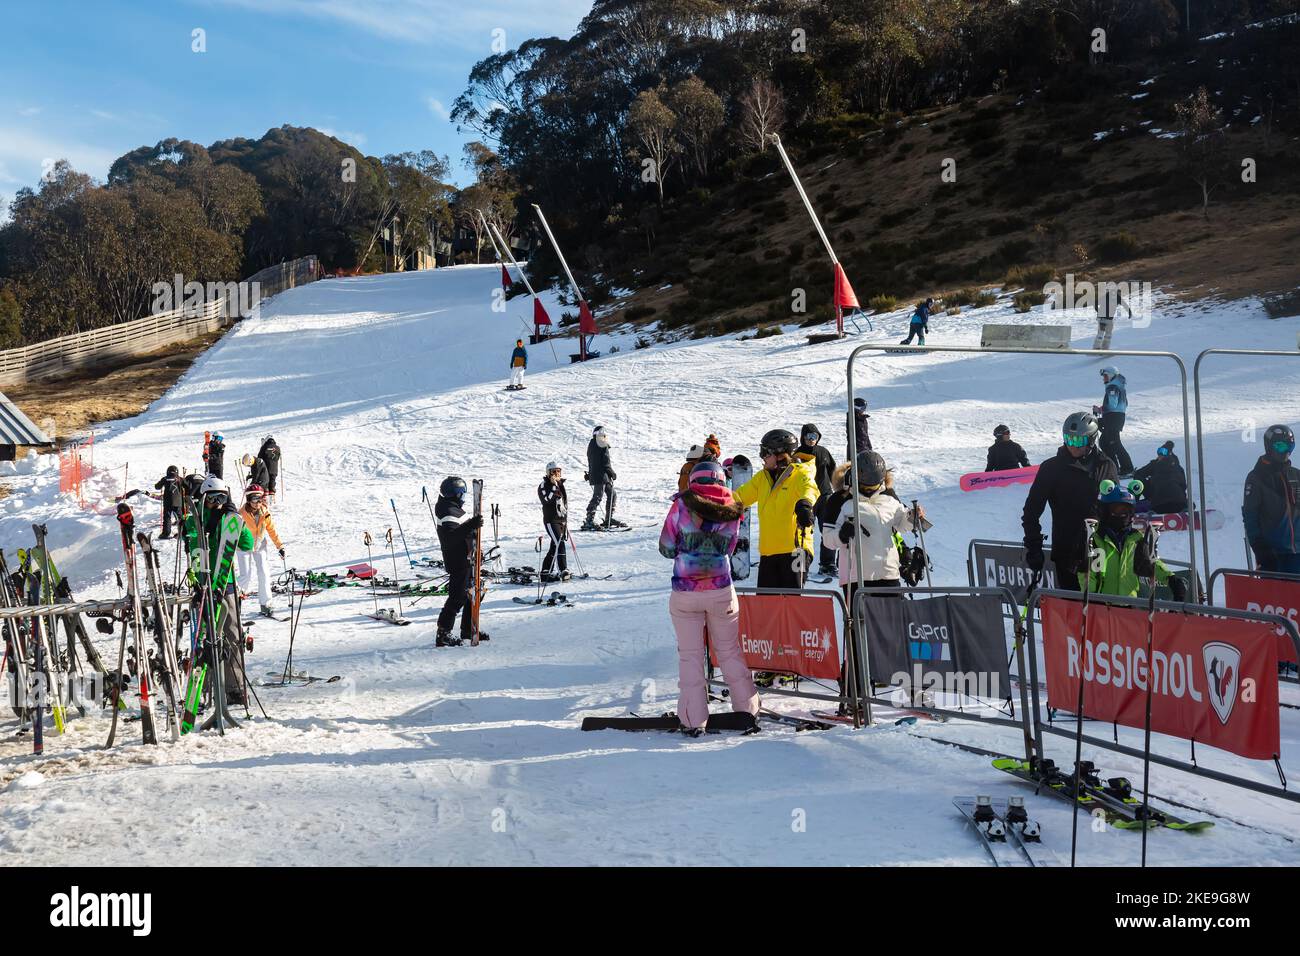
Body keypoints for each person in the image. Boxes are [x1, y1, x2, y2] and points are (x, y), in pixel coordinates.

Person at [659, 459, 759, 734]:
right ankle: (747, 709)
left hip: (686, 591)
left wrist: (685, 549)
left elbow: (666, 547)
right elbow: (730, 546)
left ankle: (692, 719)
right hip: (720, 590)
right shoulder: (732, 507)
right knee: (729, 651)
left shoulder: (681, 505)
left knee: (690, 656)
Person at [1022, 412, 1119, 592]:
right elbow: (1031, 511)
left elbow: (1116, 507)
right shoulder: (1051, 468)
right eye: (1068, 439)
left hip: (1101, 552)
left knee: (1102, 611)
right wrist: (1033, 546)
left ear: (1091, 440)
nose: (1071, 445)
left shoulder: (1106, 466)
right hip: (1067, 552)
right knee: (1073, 609)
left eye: (1078, 441)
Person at [184, 476, 254, 704]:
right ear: (203, 499)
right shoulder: (196, 520)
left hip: (226, 583)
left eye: (222, 498)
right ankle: (204, 687)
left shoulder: (229, 518)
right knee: (206, 636)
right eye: (212, 499)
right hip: (204, 584)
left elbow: (247, 544)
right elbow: (193, 544)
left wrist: (238, 521)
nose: (217, 503)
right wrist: (197, 579)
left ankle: (234, 687)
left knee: (232, 634)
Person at [732, 428, 819, 591]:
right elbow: (739, 498)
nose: (762, 457)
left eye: (765, 453)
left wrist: (805, 505)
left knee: (791, 603)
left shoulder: (800, 474)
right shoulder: (762, 478)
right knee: (767, 606)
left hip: (795, 550)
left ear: (780, 454)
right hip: (769, 552)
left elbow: (810, 489)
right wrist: (715, 500)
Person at [831, 452, 924, 601]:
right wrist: (841, 535)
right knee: (861, 622)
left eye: (874, 486)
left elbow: (902, 526)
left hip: (888, 573)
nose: (870, 490)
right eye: (865, 487)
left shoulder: (889, 498)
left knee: (892, 621)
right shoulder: (841, 500)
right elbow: (828, 539)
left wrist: (913, 516)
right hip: (857, 576)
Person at [1083, 480, 1187, 600]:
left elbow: (1151, 562)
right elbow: (1085, 572)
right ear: (1106, 510)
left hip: (1128, 605)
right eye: (1118, 510)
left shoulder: (1136, 539)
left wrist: (1171, 579)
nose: (1123, 515)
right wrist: (1090, 599)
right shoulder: (1094, 537)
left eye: (1127, 511)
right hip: (1100, 606)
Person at [435, 476, 486, 646]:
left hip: (466, 558)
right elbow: (451, 538)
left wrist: (476, 546)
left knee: (471, 593)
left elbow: (463, 533)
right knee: (457, 597)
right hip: (457, 560)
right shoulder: (447, 511)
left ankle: (467, 629)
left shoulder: (451, 508)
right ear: (456, 494)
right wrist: (471, 524)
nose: (463, 497)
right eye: (462, 494)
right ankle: (443, 634)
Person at [1243, 424, 1300, 574]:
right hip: (1273, 554)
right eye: (1281, 446)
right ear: (1269, 447)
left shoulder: (1296, 475)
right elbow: (1250, 515)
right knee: (1275, 597)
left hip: (1297, 553)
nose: (1286, 451)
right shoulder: (1257, 477)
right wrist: (1259, 547)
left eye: (1290, 446)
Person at [798, 423, 838, 578]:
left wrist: (838, 490)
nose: (812, 440)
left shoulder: (823, 452)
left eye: (815, 436)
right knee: (803, 532)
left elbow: (833, 471)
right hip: (806, 498)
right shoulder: (798, 454)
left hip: (825, 496)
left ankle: (827, 564)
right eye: (808, 436)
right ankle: (800, 565)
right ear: (803, 437)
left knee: (828, 531)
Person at [238, 485, 285, 616]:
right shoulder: (240, 515)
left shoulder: (265, 512)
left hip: (259, 544)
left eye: (260, 499)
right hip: (244, 546)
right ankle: (235, 598)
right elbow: (233, 533)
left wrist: (280, 546)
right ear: (248, 499)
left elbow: (271, 530)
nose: (258, 502)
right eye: (254, 499)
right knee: (245, 575)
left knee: (264, 572)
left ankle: (266, 604)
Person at [582, 426, 625, 529]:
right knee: (598, 496)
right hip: (601, 476)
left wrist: (590, 474)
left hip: (597, 475)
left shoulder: (591, 445)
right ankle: (589, 520)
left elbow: (592, 461)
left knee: (612, 494)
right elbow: (605, 463)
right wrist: (612, 473)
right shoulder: (602, 445)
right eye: (604, 435)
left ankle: (608, 519)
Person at [1094, 366, 1133, 474]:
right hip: (1115, 417)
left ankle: (1127, 468)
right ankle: (1115, 467)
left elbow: (1112, 404)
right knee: (1104, 442)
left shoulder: (1113, 387)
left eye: (1105, 376)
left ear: (1111, 375)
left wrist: (1100, 409)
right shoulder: (1118, 386)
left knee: (1114, 443)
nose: (1103, 378)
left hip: (1113, 418)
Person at [1132, 441, 1188, 514]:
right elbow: (1183, 486)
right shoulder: (1179, 468)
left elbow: (1138, 475)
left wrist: (1148, 489)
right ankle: (1184, 509)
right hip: (1180, 503)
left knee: (1138, 483)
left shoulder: (1155, 464)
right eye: (1159, 452)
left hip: (1158, 505)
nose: (1159, 455)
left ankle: (1135, 507)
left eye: (1162, 452)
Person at [538, 462, 570, 582]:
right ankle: (563, 569)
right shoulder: (544, 485)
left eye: (558, 471)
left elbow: (564, 503)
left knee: (554, 546)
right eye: (553, 471)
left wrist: (565, 519)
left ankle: (546, 572)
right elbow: (546, 500)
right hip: (551, 520)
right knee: (559, 543)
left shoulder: (560, 485)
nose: (556, 474)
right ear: (548, 473)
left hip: (560, 520)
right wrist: (553, 486)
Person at [153, 465, 183, 539]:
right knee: (180, 518)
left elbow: (157, 487)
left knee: (167, 517)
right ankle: (183, 532)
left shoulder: (165, 479)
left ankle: (166, 533)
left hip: (167, 501)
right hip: (178, 501)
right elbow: (187, 486)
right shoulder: (179, 479)